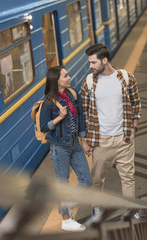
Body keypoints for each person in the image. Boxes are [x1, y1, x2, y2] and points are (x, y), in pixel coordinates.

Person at [81, 44, 141, 220]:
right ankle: (96, 207)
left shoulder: (126, 78)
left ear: (104, 60)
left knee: (128, 178)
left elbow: (136, 103)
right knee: (97, 180)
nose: (90, 66)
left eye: (93, 62)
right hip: (101, 141)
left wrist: (134, 127)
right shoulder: (89, 82)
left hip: (124, 139)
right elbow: (84, 113)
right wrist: (84, 140)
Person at [39, 66, 92, 232]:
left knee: (86, 180)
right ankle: (66, 220)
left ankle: (67, 203)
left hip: (75, 144)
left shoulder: (72, 93)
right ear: (57, 81)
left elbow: (81, 117)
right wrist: (59, 118)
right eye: (65, 76)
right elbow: (43, 127)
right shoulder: (48, 102)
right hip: (59, 147)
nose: (69, 78)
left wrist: (83, 140)